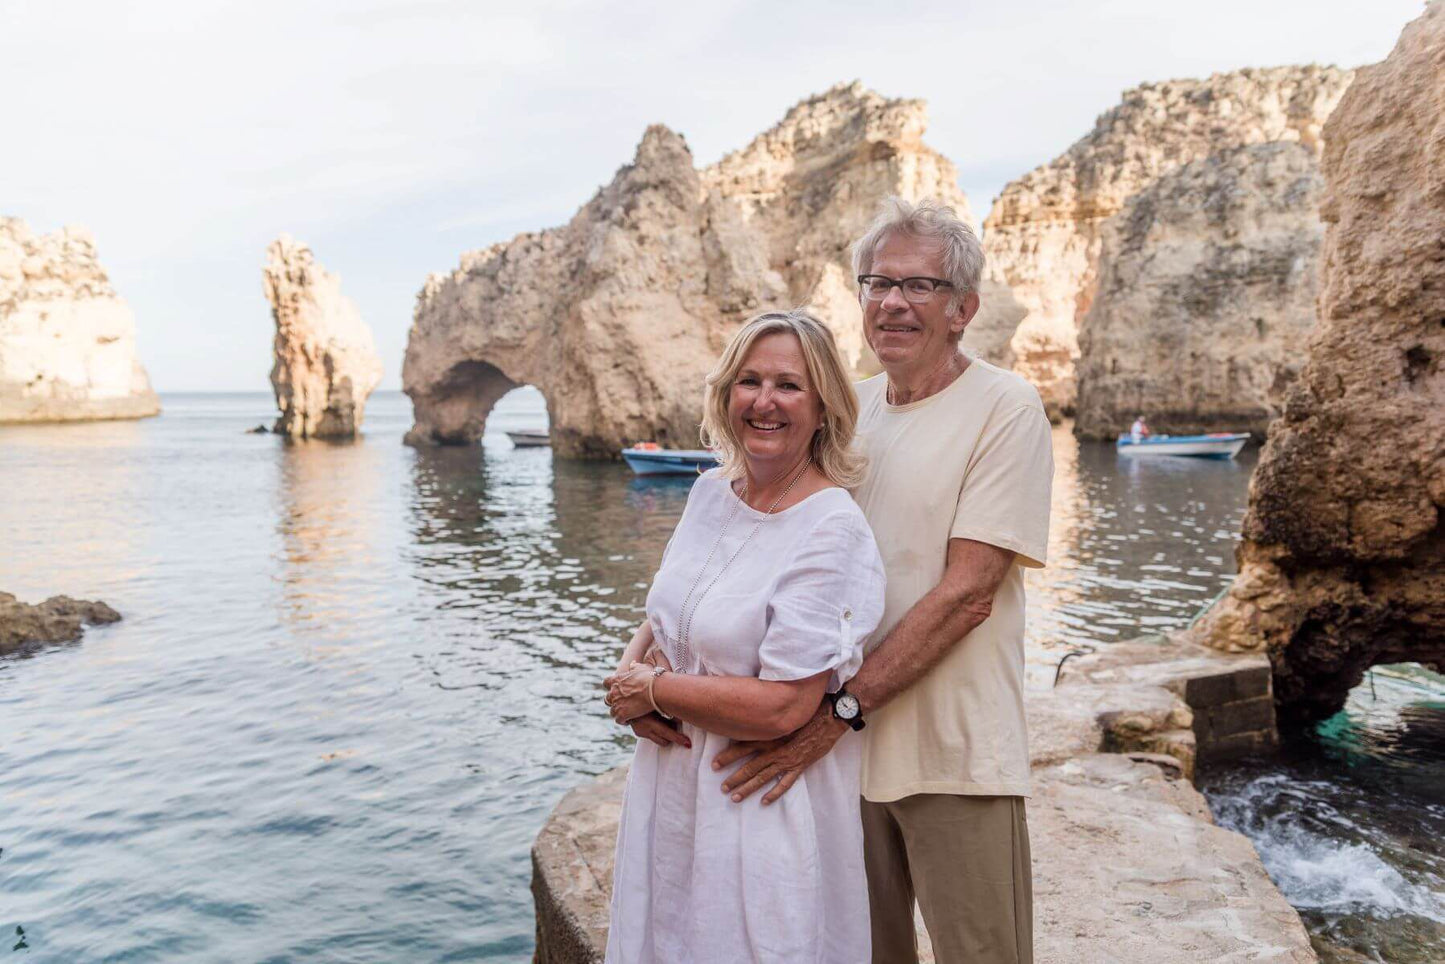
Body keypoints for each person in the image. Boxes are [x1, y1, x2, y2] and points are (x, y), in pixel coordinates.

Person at [713, 198, 1053, 964]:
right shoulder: (848, 408)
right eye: (877, 283)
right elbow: (755, 531)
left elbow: (968, 594)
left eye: (920, 286)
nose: (892, 302)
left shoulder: (1005, 407)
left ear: (963, 307)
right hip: (843, 763)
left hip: (950, 754)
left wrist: (832, 715)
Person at [602, 309, 886, 964]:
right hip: (672, 795)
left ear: (823, 408)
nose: (764, 401)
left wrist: (656, 689)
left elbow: (786, 705)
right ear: (726, 393)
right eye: (748, 381)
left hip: (752, 804)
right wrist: (629, 688)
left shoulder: (830, 530)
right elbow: (667, 614)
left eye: (788, 385)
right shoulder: (708, 493)